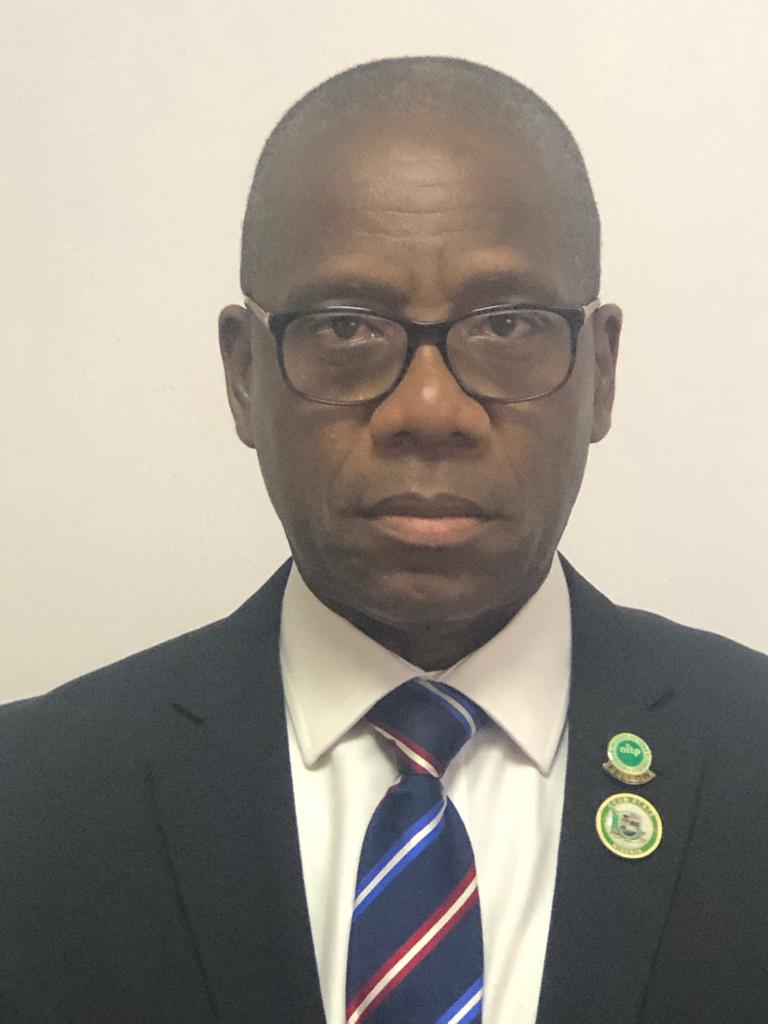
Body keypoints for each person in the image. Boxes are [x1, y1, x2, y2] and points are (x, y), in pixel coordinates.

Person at [1, 57, 766, 1024]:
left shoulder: (751, 758)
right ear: (244, 376)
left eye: (508, 324)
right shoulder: (31, 801)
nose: (429, 409)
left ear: (602, 372)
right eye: (346, 329)